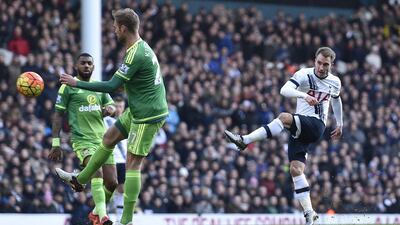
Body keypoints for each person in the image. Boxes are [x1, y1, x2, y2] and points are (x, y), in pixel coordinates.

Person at [55, 8, 168, 225]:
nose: (114, 30)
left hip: (148, 115)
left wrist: (77, 82)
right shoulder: (139, 47)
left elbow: (112, 85)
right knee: (108, 138)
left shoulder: (136, 54)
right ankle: (81, 179)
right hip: (137, 108)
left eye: (116, 27)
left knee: (133, 164)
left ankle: (126, 220)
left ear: (124, 28)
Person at [225, 47, 343, 225]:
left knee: (284, 118)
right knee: (296, 170)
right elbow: (284, 90)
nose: (321, 67)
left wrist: (340, 123)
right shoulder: (304, 74)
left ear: (331, 65)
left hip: (316, 124)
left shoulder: (334, 82)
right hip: (300, 127)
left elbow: (336, 98)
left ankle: (245, 140)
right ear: (315, 60)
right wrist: (304, 96)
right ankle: (310, 213)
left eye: (325, 64)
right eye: (319, 63)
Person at [48, 53, 117, 225]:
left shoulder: (98, 86)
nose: (86, 66)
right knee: (97, 173)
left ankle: (95, 212)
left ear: (93, 67)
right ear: (76, 66)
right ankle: (102, 218)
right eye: (83, 63)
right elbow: (58, 115)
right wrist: (56, 143)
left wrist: (110, 109)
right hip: (83, 140)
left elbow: (112, 105)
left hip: (104, 140)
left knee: (113, 183)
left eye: (89, 63)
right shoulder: (68, 87)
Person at [103, 96, 127, 221]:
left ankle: (119, 219)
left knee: (121, 189)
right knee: (107, 187)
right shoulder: (106, 121)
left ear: (124, 108)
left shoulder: (128, 121)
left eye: (120, 106)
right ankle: (103, 216)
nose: (118, 109)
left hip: (123, 160)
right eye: (116, 106)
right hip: (109, 158)